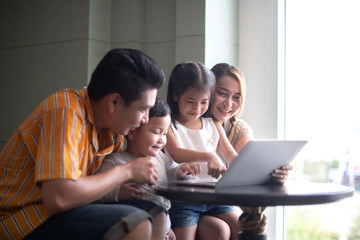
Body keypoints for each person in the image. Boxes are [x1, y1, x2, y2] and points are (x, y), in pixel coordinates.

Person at [0, 48, 166, 240]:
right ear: (114, 102)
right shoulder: (65, 111)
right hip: (20, 221)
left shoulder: (111, 131)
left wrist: (117, 191)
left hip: (61, 213)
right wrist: (126, 171)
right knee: (135, 222)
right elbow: (59, 198)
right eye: (143, 110)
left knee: (155, 210)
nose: (145, 119)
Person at [196, 63, 293, 240]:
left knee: (247, 228)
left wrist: (275, 174)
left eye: (236, 97)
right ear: (208, 91)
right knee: (219, 231)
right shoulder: (191, 123)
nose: (229, 103)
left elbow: (251, 169)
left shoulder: (238, 129)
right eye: (222, 93)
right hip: (189, 202)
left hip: (219, 205)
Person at [95, 98, 201, 240]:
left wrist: (182, 171)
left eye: (165, 133)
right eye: (156, 132)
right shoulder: (115, 161)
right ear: (132, 132)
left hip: (163, 228)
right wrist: (117, 192)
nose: (162, 140)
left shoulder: (161, 158)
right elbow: (98, 191)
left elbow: (172, 171)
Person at [164, 61, 240, 240]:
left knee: (246, 228)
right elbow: (176, 152)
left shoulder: (212, 124)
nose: (197, 109)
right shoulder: (168, 123)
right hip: (184, 200)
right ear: (176, 95)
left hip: (216, 197)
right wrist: (209, 156)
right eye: (190, 101)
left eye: (204, 102)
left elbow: (231, 156)